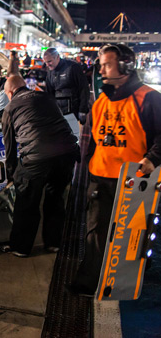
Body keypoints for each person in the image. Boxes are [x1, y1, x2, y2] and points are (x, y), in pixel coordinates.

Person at [69, 44, 161, 297]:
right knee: (95, 231)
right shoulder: (100, 102)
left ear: (126, 66)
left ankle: (131, 275)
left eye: (106, 64)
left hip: (136, 182)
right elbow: (94, 141)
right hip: (101, 177)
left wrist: (153, 158)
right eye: (101, 65)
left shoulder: (148, 98)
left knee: (135, 233)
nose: (101, 70)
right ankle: (89, 282)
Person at [0, 75, 79, 257]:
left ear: (9, 92)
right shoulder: (46, 97)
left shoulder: (10, 108)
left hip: (37, 157)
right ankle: (53, 243)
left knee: (27, 202)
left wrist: (12, 174)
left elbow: (9, 147)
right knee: (55, 197)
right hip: (67, 153)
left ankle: (20, 247)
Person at [43, 48, 90, 124]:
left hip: (74, 112)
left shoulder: (73, 67)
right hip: (58, 114)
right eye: (46, 62)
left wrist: (83, 110)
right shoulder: (50, 73)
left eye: (49, 61)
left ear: (57, 57)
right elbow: (49, 93)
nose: (47, 65)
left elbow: (83, 88)